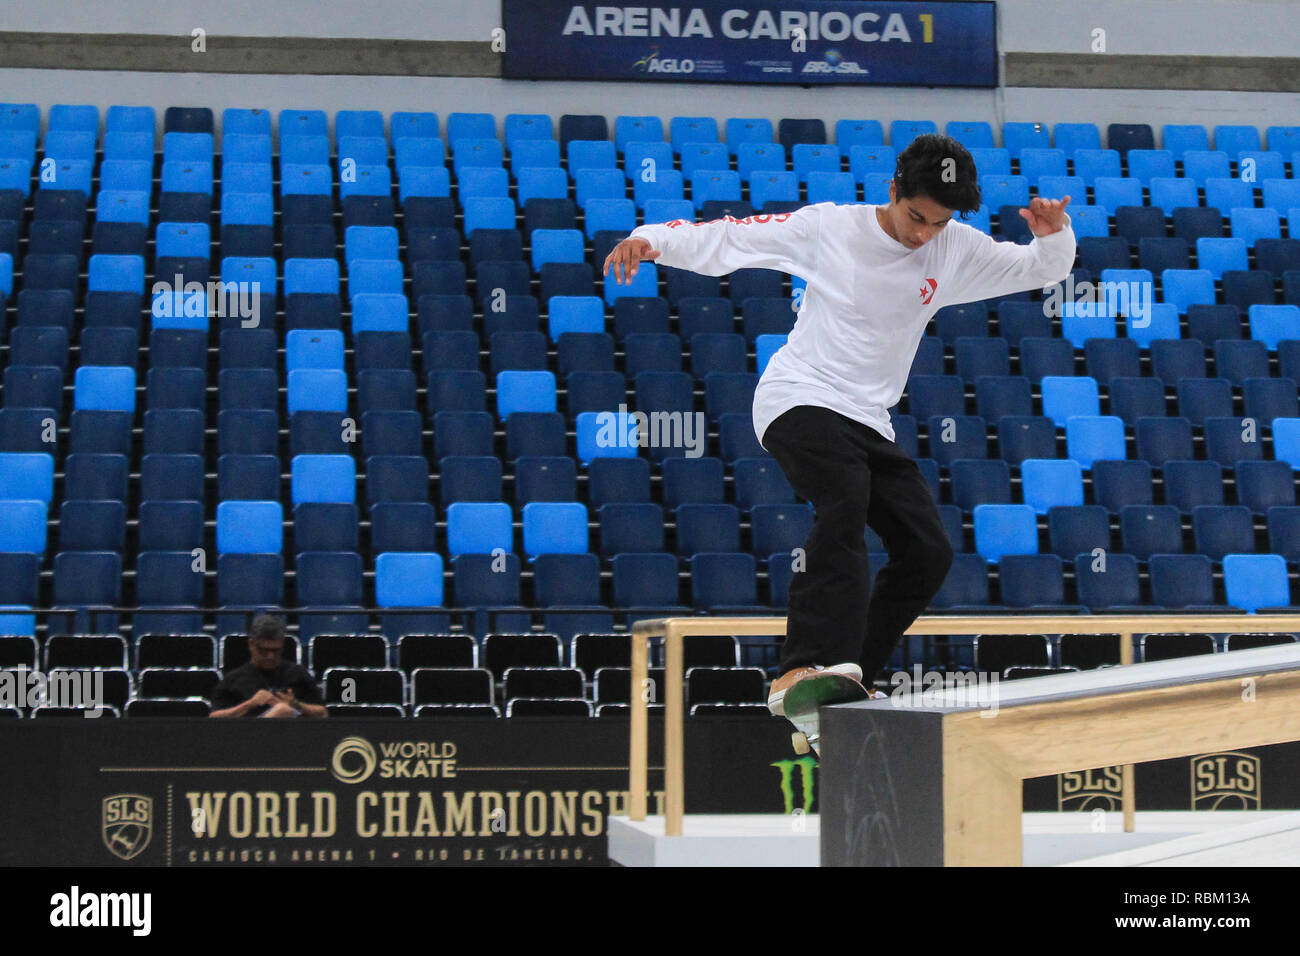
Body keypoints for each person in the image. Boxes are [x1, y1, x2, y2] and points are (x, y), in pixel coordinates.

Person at [603, 133, 1076, 714]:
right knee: (845, 498)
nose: (922, 234)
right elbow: (732, 236)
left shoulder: (954, 248)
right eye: (915, 216)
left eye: (937, 223)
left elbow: (1035, 268)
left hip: (869, 419)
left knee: (927, 550)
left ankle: (846, 686)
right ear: (893, 189)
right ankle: (800, 666)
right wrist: (649, 239)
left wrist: (1053, 237)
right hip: (797, 397)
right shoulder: (830, 228)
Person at [210, 614, 327, 718]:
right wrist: (250, 704)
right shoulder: (234, 679)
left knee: (283, 710)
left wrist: (296, 704)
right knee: (282, 710)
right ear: (251, 645)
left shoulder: (297, 673)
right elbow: (214, 718)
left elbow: (322, 712)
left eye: (276, 650)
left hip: (292, 735)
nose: (270, 656)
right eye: (263, 651)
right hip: (247, 736)